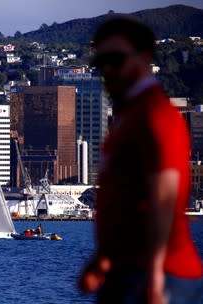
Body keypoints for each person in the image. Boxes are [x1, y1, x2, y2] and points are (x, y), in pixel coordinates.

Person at [78, 16, 203, 303]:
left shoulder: (156, 116)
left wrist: (156, 278)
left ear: (144, 58)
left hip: (159, 276)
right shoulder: (127, 118)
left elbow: (165, 199)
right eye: (101, 62)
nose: (108, 69)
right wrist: (104, 258)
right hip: (127, 271)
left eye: (116, 59)